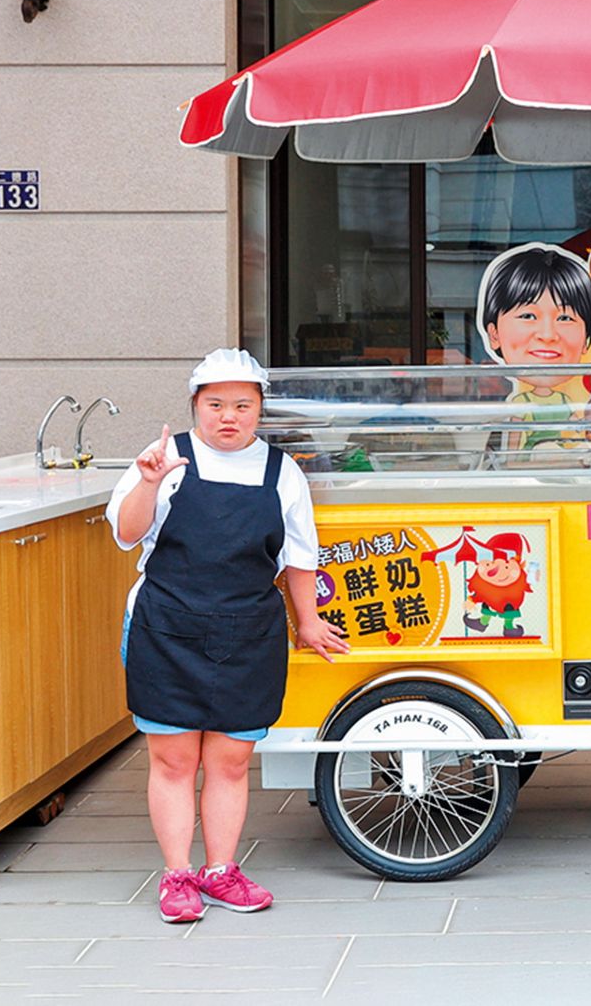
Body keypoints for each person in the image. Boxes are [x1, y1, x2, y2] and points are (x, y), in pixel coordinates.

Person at [108, 349, 348, 924]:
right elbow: (125, 534)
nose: (228, 416)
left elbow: (300, 555)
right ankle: (177, 876)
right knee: (173, 760)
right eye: (215, 404)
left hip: (247, 630)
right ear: (195, 406)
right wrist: (148, 483)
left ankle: (220, 871)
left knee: (232, 761)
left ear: (260, 409)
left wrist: (308, 620)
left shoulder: (281, 471)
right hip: (166, 626)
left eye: (242, 405)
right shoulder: (165, 460)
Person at [476, 242, 591, 448]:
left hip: (560, 457)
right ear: (494, 334)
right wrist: (511, 460)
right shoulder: (520, 402)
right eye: (528, 316)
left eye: (565, 318)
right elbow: (514, 440)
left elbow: (580, 425)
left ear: (586, 340)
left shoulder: (565, 400)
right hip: (530, 457)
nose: (548, 335)